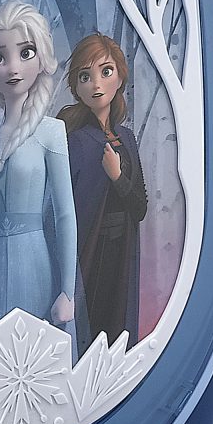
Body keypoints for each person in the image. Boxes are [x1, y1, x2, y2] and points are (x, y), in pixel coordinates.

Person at [0, 0, 79, 352]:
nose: (13, 68)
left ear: (42, 58)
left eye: (26, 53)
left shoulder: (51, 132)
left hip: (36, 266)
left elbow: (65, 215)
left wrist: (67, 291)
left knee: (35, 357)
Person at [58, 33, 147, 351]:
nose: (96, 84)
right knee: (87, 328)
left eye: (106, 71)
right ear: (76, 86)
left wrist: (117, 176)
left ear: (120, 76)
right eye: (85, 76)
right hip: (88, 255)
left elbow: (140, 207)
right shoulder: (75, 140)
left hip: (122, 252)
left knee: (117, 328)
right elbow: (63, 206)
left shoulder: (127, 138)